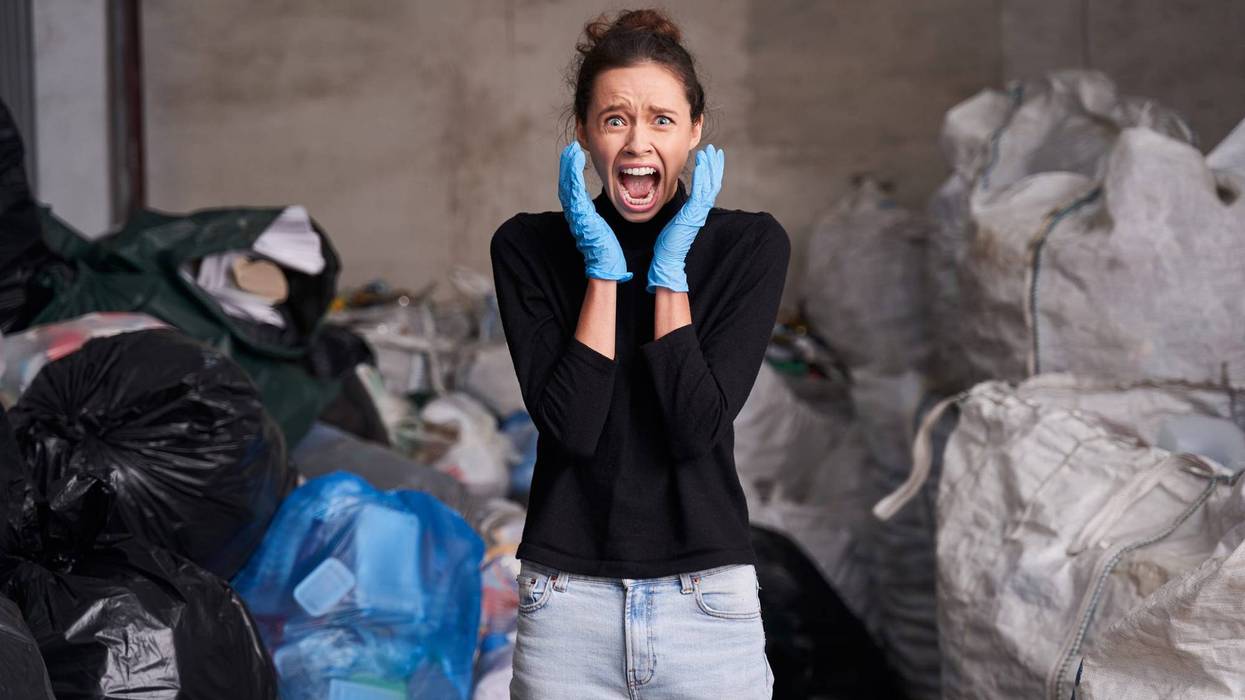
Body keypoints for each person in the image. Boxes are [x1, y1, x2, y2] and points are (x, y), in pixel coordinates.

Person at [490, 8, 789, 698]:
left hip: (706, 604)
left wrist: (670, 269)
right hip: (567, 605)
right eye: (615, 118)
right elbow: (573, 427)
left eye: (660, 119)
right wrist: (600, 265)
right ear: (583, 132)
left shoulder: (748, 247)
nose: (637, 141)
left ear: (695, 131)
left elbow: (693, 428)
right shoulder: (527, 247)